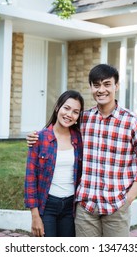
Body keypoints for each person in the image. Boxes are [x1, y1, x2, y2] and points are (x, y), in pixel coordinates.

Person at [27, 64, 137, 237]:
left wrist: (129, 198)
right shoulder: (84, 119)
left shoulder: (134, 122)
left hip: (116, 207)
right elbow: (59, 131)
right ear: (91, 88)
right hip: (85, 208)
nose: (101, 90)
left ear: (116, 86)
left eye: (107, 84)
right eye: (96, 85)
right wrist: (35, 137)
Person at [24, 90, 84, 237]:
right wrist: (35, 216)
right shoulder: (39, 138)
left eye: (75, 112)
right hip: (47, 206)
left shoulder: (80, 139)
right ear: (57, 107)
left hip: (70, 207)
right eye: (66, 108)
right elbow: (30, 178)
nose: (69, 114)